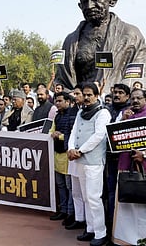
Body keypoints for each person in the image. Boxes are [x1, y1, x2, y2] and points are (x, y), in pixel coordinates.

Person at [55, 0, 146, 93]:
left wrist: (113, 95)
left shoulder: (131, 35)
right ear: (80, 5)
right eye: (85, 1)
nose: (89, 6)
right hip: (80, 105)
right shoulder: (70, 41)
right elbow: (60, 82)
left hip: (116, 105)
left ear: (112, 0)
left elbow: (141, 76)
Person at [67, 82, 111, 246]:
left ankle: (101, 232)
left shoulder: (103, 113)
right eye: (83, 94)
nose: (85, 98)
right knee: (85, 196)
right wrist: (71, 148)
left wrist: (80, 150)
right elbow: (73, 131)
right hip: (78, 159)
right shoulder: (80, 112)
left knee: (93, 197)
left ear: (96, 95)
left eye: (89, 95)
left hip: (92, 161)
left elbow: (99, 135)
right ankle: (91, 229)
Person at [112, 88, 146, 245]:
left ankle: (143, 240)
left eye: (139, 98)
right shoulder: (125, 114)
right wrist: (123, 121)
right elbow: (113, 138)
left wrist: (144, 154)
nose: (135, 101)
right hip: (125, 163)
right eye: (133, 98)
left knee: (144, 205)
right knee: (125, 202)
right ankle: (123, 240)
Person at [104, 83, 131, 234]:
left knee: (119, 193)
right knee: (108, 193)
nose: (117, 95)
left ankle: (118, 229)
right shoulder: (106, 110)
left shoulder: (130, 111)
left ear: (127, 96)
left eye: (121, 93)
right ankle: (109, 226)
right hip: (107, 157)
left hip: (124, 158)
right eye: (115, 92)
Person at [49, 92, 76, 225]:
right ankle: (63, 210)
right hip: (57, 154)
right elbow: (51, 131)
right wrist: (53, 134)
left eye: (60, 101)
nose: (57, 103)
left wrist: (59, 136)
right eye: (56, 101)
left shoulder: (73, 115)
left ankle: (71, 213)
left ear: (68, 101)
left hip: (67, 156)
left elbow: (73, 136)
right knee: (60, 185)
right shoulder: (57, 116)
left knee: (69, 187)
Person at [65, 84, 87, 231]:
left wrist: (80, 151)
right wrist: (70, 149)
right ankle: (79, 218)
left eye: (79, 93)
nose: (77, 96)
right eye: (76, 94)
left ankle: (89, 223)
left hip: (86, 157)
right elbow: (69, 131)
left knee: (87, 194)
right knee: (76, 191)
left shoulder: (96, 110)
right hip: (72, 156)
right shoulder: (73, 111)